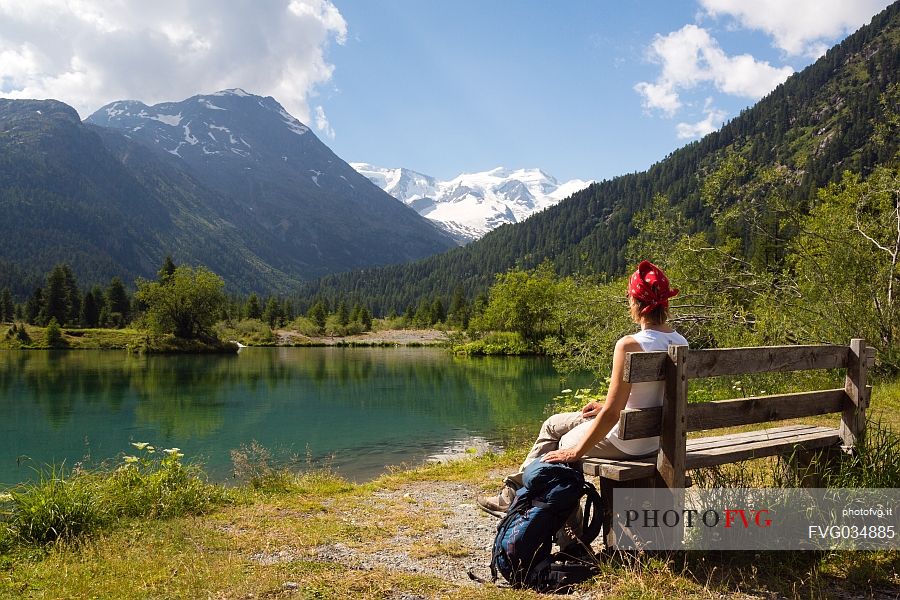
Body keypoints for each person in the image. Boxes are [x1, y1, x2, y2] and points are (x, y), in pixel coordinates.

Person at [476, 260, 687, 517]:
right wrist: (603, 406)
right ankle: (513, 492)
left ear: (637, 304)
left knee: (562, 446)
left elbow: (612, 415)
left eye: (630, 298)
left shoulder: (629, 345)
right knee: (553, 423)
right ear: (665, 304)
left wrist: (576, 451)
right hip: (657, 437)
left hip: (629, 442)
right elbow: (646, 398)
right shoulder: (680, 342)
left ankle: (569, 532)